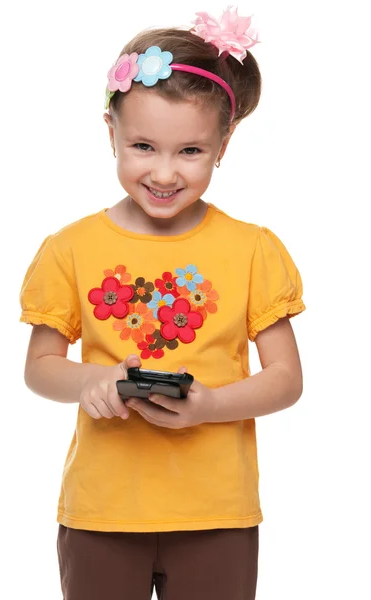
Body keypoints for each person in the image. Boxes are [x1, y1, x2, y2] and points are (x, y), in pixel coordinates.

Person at [19, 6, 306, 600]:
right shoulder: (69, 248)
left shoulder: (253, 248)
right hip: (101, 510)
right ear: (111, 134)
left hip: (217, 513)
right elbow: (40, 368)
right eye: (144, 146)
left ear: (224, 143)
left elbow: (286, 379)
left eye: (191, 152)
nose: (165, 173)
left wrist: (211, 405)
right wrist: (94, 382)